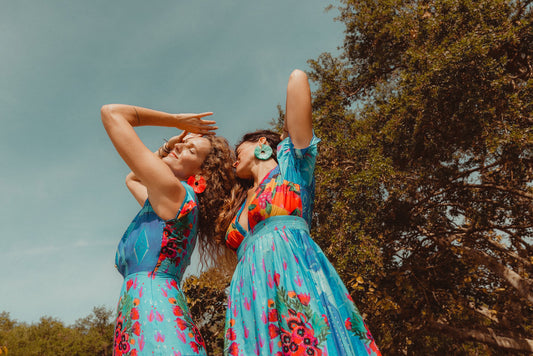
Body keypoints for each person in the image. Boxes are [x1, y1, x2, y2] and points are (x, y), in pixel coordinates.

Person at [217, 70, 381, 355]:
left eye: (238, 149)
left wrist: (284, 138)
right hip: (250, 292)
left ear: (262, 145)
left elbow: (297, 79)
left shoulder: (292, 169)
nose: (234, 159)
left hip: (291, 274)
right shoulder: (239, 204)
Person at [101, 104, 234, 356]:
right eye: (181, 144)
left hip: (154, 313)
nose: (180, 146)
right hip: (143, 312)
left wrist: (176, 120)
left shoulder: (175, 193)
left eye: (190, 149)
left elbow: (112, 113)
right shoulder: (169, 202)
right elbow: (132, 179)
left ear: (202, 172)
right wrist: (168, 147)